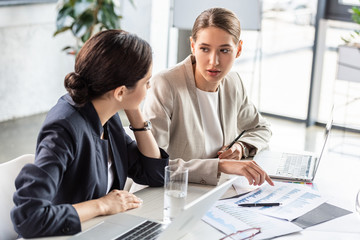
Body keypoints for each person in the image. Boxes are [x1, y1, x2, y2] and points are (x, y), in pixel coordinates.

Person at [11, 30, 169, 238]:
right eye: (146, 82)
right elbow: (28, 217)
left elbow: (155, 173)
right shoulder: (64, 128)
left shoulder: (106, 116)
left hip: (101, 231)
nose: (149, 88)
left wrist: (134, 112)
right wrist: (101, 205)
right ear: (120, 91)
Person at [143, 8, 273, 186]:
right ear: (192, 46)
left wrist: (240, 147)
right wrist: (220, 166)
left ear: (239, 49)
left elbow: (260, 128)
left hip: (218, 191)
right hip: (173, 192)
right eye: (204, 49)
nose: (214, 61)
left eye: (224, 50)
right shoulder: (166, 84)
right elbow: (155, 165)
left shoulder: (233, 83)